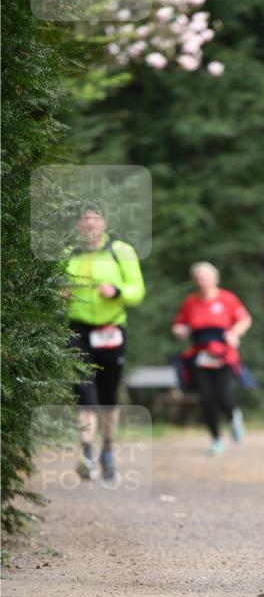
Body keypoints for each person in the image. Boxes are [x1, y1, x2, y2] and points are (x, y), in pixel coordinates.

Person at [65, 204, 145, 482]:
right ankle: (87, 452)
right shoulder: (68, 253)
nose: (90, 224)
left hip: (112, 329)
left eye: (95, 218)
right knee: (85, 394)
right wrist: (60, 294)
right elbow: (51, 289)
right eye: (84, 219)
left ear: (105, 223)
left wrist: (118, 291)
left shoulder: (121, 251)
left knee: (108, 395)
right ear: (78, 225)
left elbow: (137, 292)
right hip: (78, 330)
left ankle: (108, 451)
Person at [172, 262, 252, 454]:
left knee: (223, 396)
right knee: (206, 399)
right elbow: (178, 325)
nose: (202, 282)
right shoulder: (190, 301)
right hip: (199, 355)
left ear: (215, 279)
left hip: (223, 354)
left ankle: (234, 417)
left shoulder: (227, 298)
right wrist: (180, 331)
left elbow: (245, 319)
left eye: (206, 278)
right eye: (199, 278)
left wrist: (234, 333)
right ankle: (216, 439)